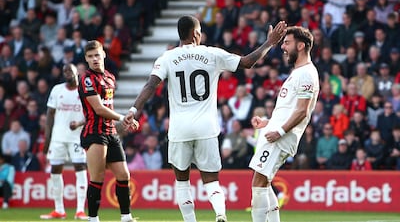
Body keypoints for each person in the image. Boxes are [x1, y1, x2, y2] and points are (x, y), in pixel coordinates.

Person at [123, 16, 287, 222]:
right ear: (196, 34)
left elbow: (150, 85)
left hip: (179, 129)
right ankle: (220, 215)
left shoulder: (166, 58)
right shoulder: (212, 54)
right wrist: (270, 43)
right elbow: (247, 62)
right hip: (206, 128)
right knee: (211, 180)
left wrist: (133, 109)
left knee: (182, 181)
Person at [249, 26, 319, 222]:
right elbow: (290, 109)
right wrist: (268, 123)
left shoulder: (306, 73)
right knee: (265, 181)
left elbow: (302, 111)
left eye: (287, 43)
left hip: (281, 138)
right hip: (276, 133)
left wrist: (279, 131)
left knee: (258, 182)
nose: (283, 47)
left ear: (301, 45)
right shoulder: (299, 73)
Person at [78, 40, 139, 222]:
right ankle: (93, 219)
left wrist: (121, 122)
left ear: (103, 54)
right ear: (86, 59)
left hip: (111, 132)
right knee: (97, 177)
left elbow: (107, 106)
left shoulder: (110, 77)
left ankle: (126, 217)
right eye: (90, 56)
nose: (95, 59)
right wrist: (123, 118)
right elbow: (98, 109)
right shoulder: (87, 79)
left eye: (97, 55)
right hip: (94, 133)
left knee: (123, 175)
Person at [40, 64, 88, 220]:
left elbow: (91, 114)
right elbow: (49, 115)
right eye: (65, 71)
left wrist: (79, 124)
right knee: (55, 170)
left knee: (80, 168)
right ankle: (59, 210)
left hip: (76, 137)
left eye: (70, 70)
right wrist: (47, 139)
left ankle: (80, 210)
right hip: (58, 137)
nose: (67, 73)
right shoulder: (57, 90)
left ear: (77, 72)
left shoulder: (84, 91)